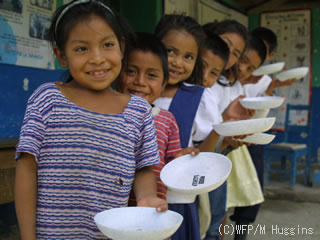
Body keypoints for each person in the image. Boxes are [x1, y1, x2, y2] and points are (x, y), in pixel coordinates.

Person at [14, 1, 167, 239]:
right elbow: (26, 169)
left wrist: (147, 198)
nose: (97, 58)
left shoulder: (138, 111)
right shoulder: (48, 100)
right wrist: (27, 236)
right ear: (61, 56)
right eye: (81, 49)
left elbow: (143, 168)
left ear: (121, 48)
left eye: (107, 45)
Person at [118, 32, 199, 202]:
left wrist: (180, 160)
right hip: (111, 214)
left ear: (164, 84)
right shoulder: (107, 114)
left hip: (150, 215)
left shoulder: (167, 121)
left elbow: (171, 168)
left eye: (152, 75)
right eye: (131, 71)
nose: (140, 81)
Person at [201, 20, 249, 240]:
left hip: (215, 156)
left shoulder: (215, 84)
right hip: (200, 162)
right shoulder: (203, 89)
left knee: (215, 215)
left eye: (236, 53)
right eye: (226, 43)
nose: (228, 53)